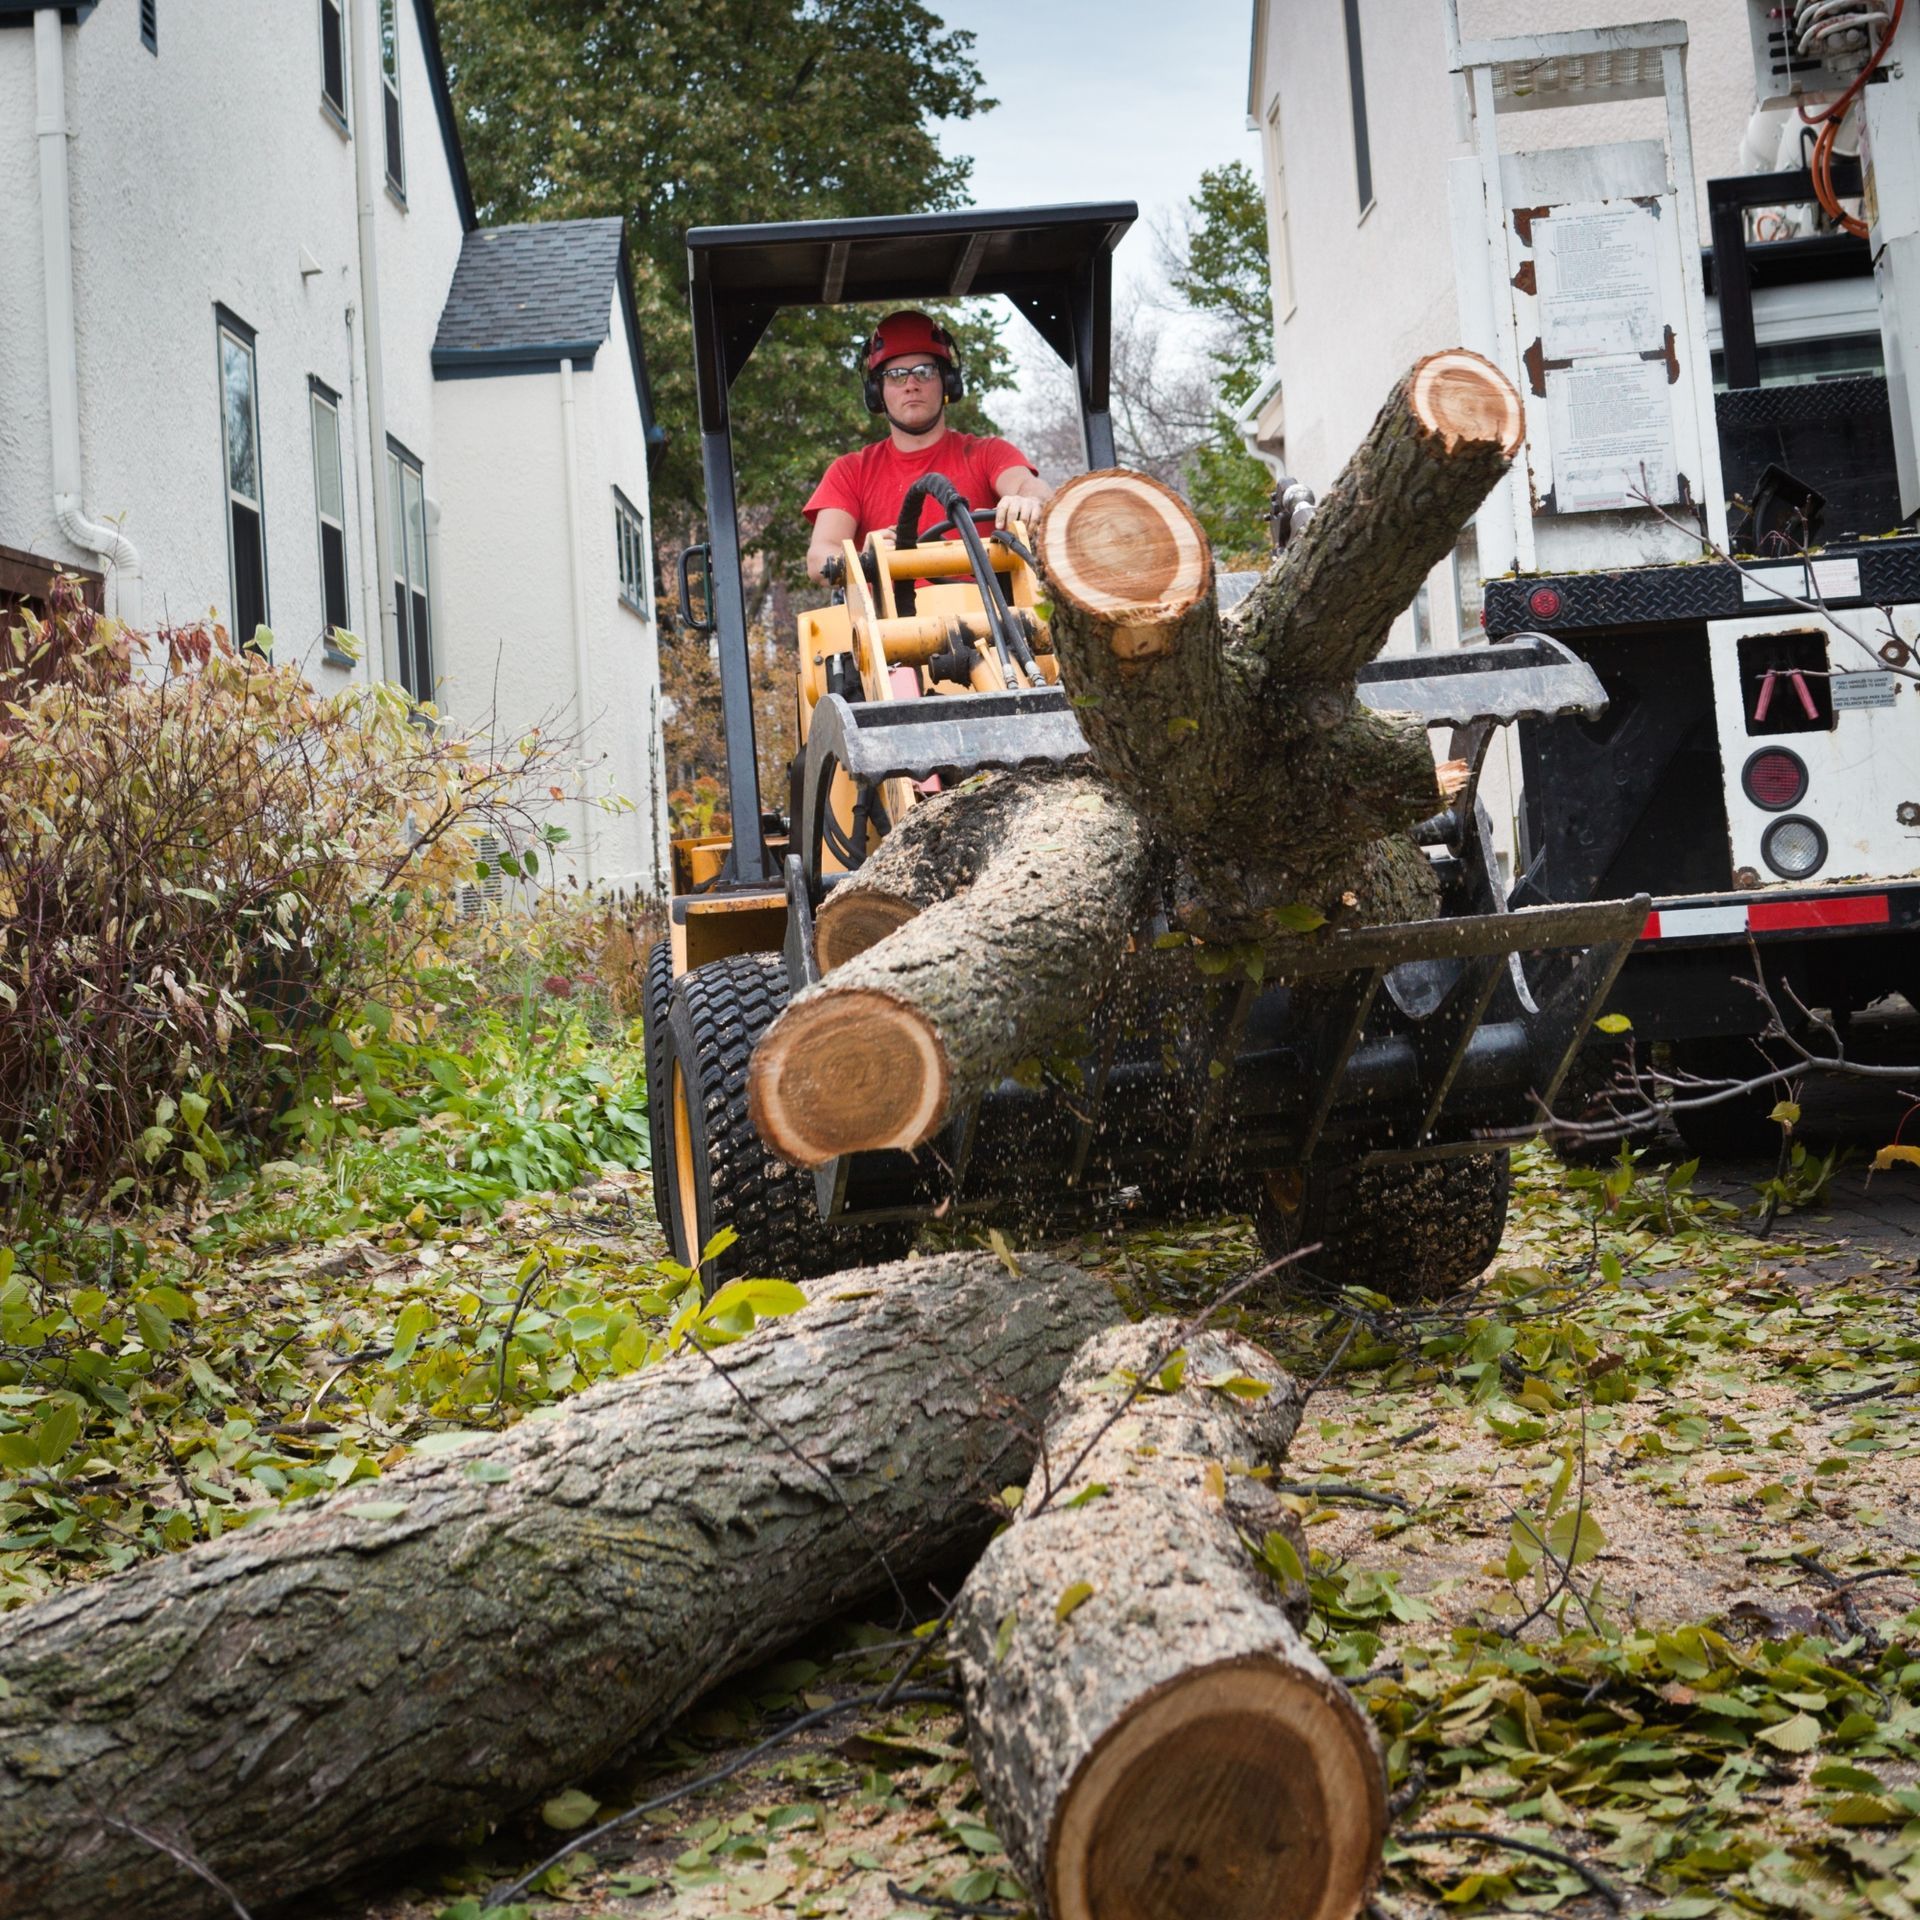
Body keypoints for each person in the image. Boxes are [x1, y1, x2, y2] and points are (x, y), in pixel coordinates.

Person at [804, 310, 1050, 583]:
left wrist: (1028, 502)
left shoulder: (988, 453)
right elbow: (818, 560)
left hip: (998, 622)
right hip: (888, 625)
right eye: (896, 375)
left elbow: (1031, 490)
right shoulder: (850, 472)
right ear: (877, 392)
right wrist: (864, 558)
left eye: (924, 372)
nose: (911, 384)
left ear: (947, 382)